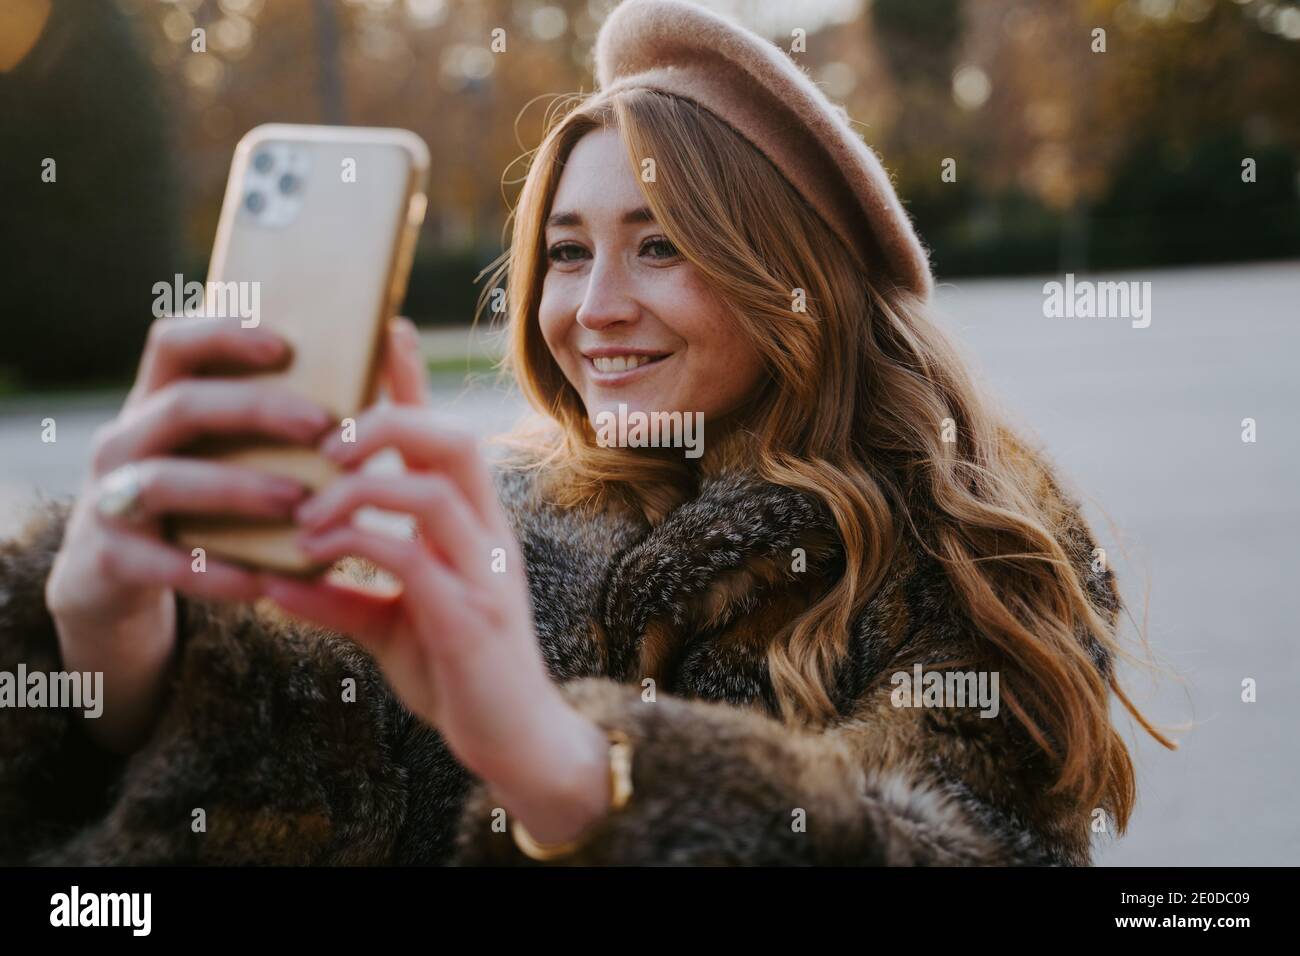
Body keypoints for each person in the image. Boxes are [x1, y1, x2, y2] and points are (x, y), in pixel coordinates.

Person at [0, 0, 1169, 866]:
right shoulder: (510, 524)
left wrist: (571, 771)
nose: (594, 305)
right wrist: (119, 646)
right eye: (566, 250)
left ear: (791, 277)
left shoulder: (965, 556)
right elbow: (311, 771)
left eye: (658, 244)